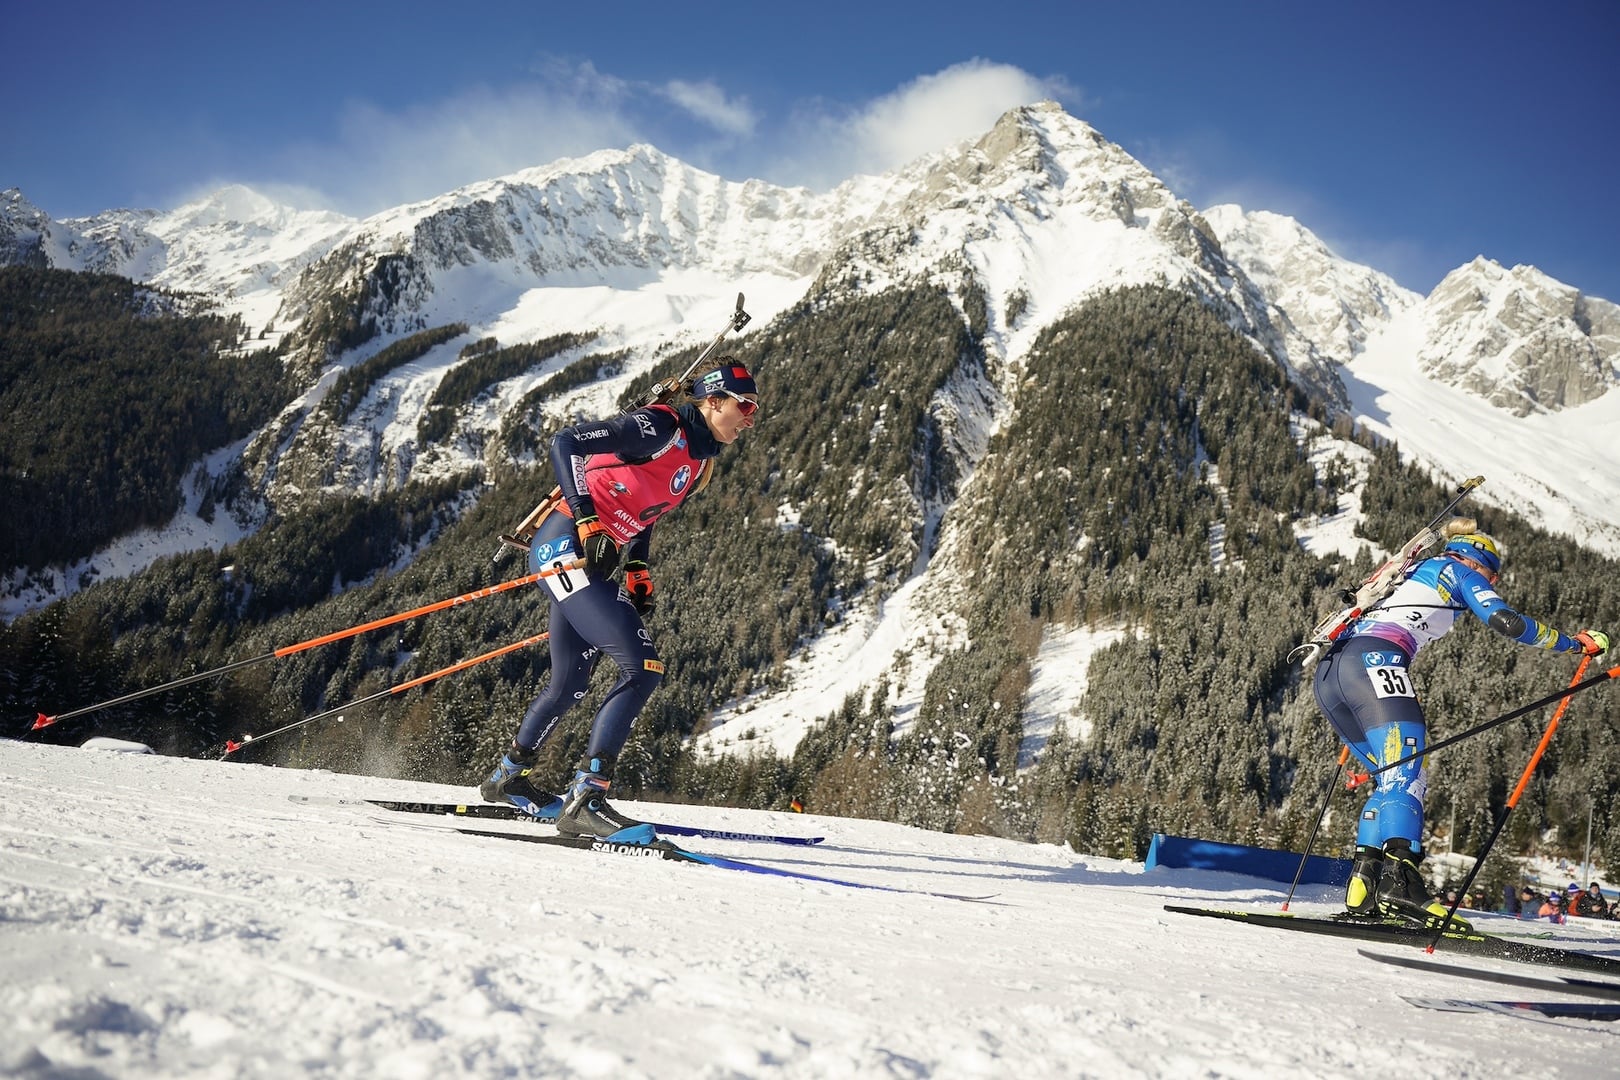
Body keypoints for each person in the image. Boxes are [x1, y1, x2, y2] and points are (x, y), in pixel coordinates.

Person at [477, 360, 761, 843]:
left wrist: (637, 566)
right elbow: (565, 442)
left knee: (569, 684)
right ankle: (587, 797)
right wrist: (587, 520)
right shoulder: (660, 427)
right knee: (643, 668)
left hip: (593, 562)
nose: (750, 417)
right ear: (712, 399)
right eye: (745, 405)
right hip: (563, 546)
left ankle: (508, 777)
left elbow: (647, 509)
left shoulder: (700, 464)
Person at [1313, 523, 1609, 929]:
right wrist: (1572, 643)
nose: (1494, 581)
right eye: (1494, 574)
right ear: (1477, 562)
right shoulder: (1457, 571)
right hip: (1374, 663)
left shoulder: (1407, 574)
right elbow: (1504, 619)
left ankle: (1363, 887)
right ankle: (1401, 884)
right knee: (1407, 775)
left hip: (1332, 671)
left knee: (1389, 779)